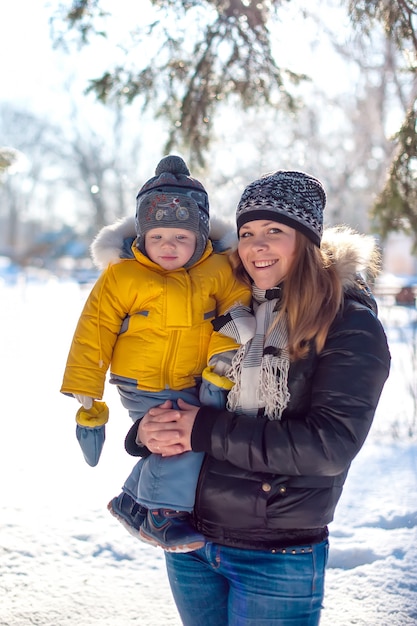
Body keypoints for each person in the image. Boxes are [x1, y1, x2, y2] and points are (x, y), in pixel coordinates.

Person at [132, 169, 391, 626]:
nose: (257, 245)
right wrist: (147, 431)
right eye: (248, 232)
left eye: (275, 231)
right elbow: (190, 397)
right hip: (192, 542)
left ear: (307, 240)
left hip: (276, 555)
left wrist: (203, 431)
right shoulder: (230, 310)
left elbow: (328, 446)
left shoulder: (348, 324)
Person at [60, 155, 250, 553]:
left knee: (180, 433)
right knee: (180, 436)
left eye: (181, 237)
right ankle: (163, 515)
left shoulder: (217, 270)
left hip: (195, 376)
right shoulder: (123, 276)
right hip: (139, 381)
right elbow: (93, 331)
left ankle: (133, 502)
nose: (169, 246)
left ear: (200, 238)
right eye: (158, 236)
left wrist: (222, 355)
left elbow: (237, 310)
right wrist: (86, 392)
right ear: (142, 237)